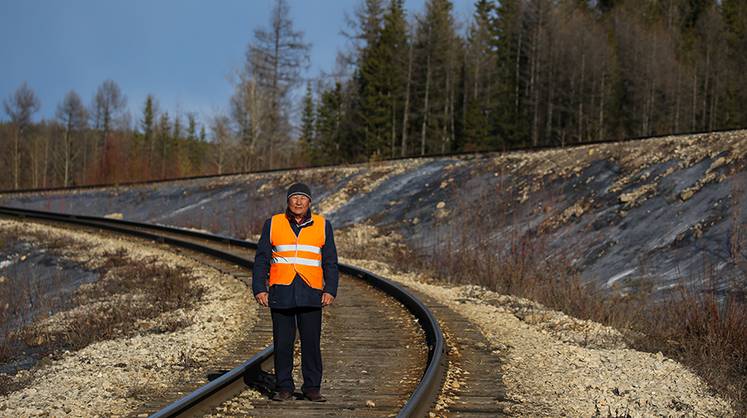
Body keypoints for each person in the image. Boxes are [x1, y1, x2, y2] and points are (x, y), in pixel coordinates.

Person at [252, 182, 339, 402]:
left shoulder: (322, 225)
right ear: (288, 201)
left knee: (311, 343)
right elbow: (261, 259)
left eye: (303, 198)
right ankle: (284, 387)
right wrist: (260, 288)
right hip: (281, 291)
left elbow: (330, 261)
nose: (298, 201)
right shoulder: (272, 224)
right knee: (282, 343)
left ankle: (312, 388)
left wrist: (330, 289)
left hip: (311, 292)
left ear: (310, 202)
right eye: (294, 197)